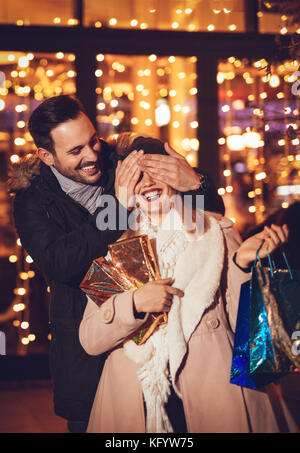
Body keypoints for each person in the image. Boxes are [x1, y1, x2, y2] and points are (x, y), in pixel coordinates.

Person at [9, 95, 224, 432]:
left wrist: (198, 184)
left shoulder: (126, 158)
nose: (92, 155)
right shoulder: (31, 200)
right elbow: (60, 265)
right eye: (76, 150)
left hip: (162, 350)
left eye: (93, 140)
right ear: (46, 156)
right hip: (88, 357)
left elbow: (200, 218)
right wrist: (116, 209)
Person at [79, 133, 298, 433]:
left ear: (176, 176)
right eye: (137, 176)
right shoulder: (117, 244)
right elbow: (90, 339)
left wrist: (241, 265)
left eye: (156, 171)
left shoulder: (216, 230)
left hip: (214, 393)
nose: (147, 182)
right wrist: (134, 303)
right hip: (136, 406)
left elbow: (247, 331)